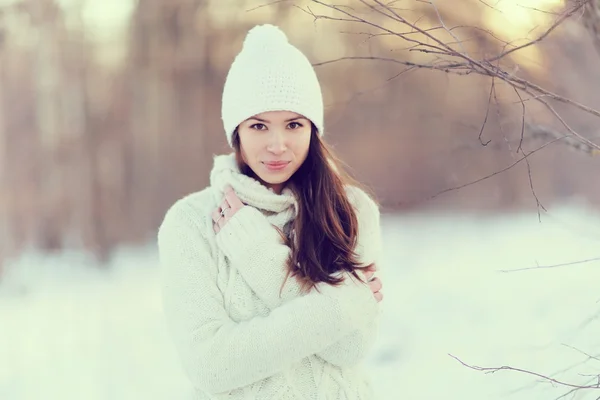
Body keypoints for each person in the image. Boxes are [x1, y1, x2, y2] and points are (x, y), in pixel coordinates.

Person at [157, 24, 384, 400]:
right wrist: (341, 305)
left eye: (293, 124)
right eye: (259, 125)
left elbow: (350, 349)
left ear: (313, 130)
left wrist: (260, 256)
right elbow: (211, 365)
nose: (277, 145)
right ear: (237, 132)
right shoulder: (191, 223)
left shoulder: (352, 211)